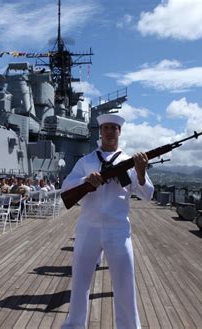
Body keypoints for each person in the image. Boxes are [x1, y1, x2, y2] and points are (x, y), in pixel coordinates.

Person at [61, 113, 154, 329]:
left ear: (119, 132)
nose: (110, 132)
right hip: (88, 228)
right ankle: (74, 325)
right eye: (106, 128)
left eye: (114, 128)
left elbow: (147, 194)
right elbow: (66, 188)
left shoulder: (130, 162)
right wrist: (87, 180)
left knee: (124, 283)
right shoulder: (86, 161)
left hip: (118, 230)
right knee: (80, 282)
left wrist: (140, 174)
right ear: (100, 132)